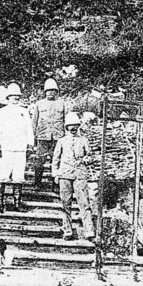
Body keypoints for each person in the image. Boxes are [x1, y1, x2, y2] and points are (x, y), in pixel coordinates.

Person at [0, 83, 34, 213]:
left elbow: (29, 129)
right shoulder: (2, 112)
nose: (15, 98)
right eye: (12, 96)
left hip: (20, 148)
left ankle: (17, 203)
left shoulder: (24, 111)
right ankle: (0, 204)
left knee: (18, 175)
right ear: (8, 97)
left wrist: (29, 145)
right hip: (6, 148)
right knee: (3, 174)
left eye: (17, 96)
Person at [52, 112, 94, 241]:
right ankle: (67, 230)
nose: (73, 128)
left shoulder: (83, 140)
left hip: (80, 175)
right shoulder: (61, 141)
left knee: (84, 204)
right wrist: (55, 174)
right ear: (66, 127)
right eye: (70, 126)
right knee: (65, 204)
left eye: (75, 125)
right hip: (65, 175)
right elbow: (56, 159)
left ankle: (89, 231)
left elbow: (90, 155)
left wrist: (87, 159)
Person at [31, 78, 68, 188]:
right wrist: (33, 139)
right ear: (45, 92)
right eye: (48, 90)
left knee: (56, 161)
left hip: (58, 138)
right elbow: (34, 122)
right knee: (39, 161)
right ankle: (37, 183)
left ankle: (55, 185)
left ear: (57, 92)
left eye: (53, 90)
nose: (51, 93)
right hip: (42, 137)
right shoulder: (39, 104)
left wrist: (66, 138)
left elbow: (66, 121)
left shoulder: (62, 104)